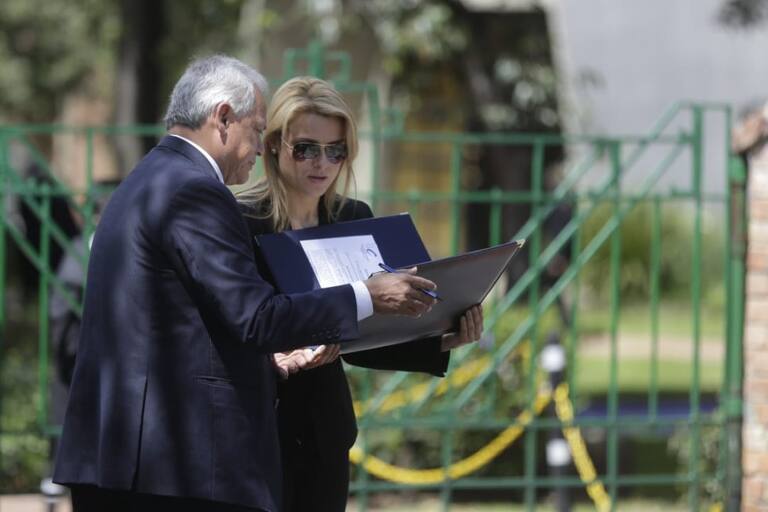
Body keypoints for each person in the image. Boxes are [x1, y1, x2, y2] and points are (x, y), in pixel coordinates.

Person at [52, 55, 439, 512]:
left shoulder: (145, 179)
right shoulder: (195, 191)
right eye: (257, 130)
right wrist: (366, 294)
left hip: (124, 458)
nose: (258, 148)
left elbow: (185, 326)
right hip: (166, 468)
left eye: (336, 151)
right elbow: (256, 318)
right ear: (222, 118)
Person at [237, 76, 483, 512]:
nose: (322, 163)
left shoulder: (352, 217)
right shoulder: (240, 219)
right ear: (274, 145)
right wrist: (270, 357)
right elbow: (229, 322)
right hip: (254, 433)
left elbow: (365, 334)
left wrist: (444, 337)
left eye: (336, 151)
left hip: (324, 433)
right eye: (306, 148)